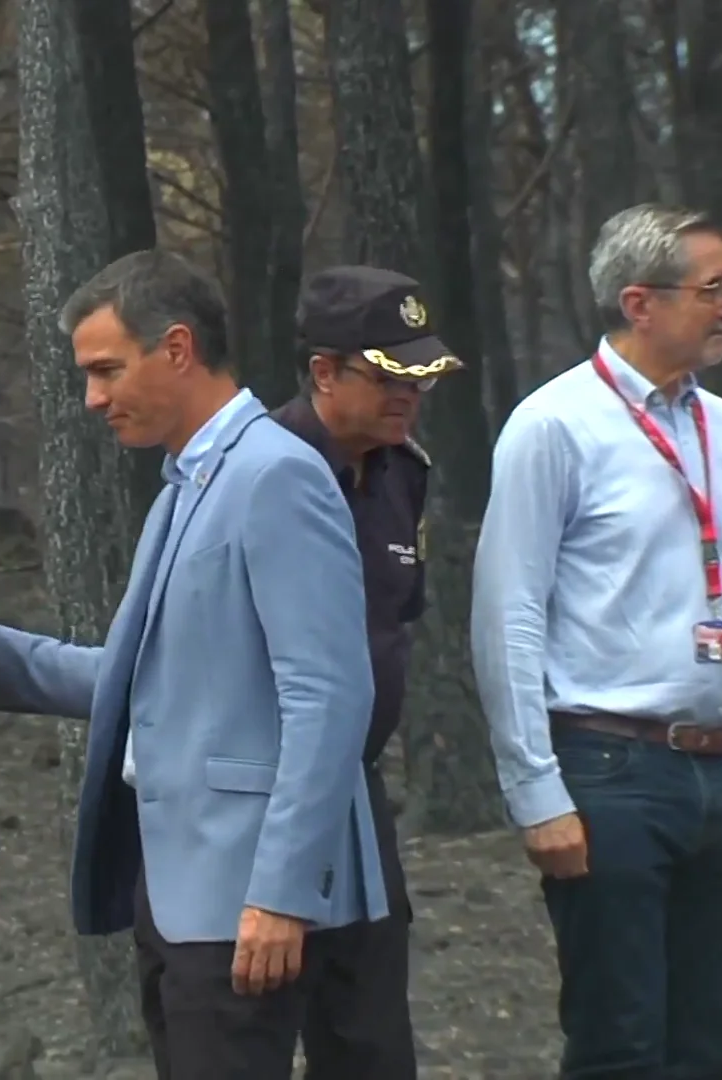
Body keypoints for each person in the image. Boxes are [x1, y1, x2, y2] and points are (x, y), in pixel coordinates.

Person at [0, 249, 385, 1080]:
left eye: (105, 371)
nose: (92, 398)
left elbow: (330, 696)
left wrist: (281, 892)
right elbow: (140, 683)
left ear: (177, 348)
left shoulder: (274, 476)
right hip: (180, 891)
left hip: (247, 899)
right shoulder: (186, 486)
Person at [470, 203, 722, 1078]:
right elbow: (508, 613)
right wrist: (535, 792)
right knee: (621, 1043)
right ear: (639, 302)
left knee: (716, 1047)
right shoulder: (554, 426)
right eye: (713, 289)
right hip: (611, 769)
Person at [270, 265, 462, 1080]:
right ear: (324, 372)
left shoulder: (399, 475)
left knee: (373, 1044)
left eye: (421, 377)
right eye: (387, 376)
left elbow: (393, 623)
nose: (407, 394)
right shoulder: (264, 472)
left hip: (356, 791)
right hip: (261, 792)